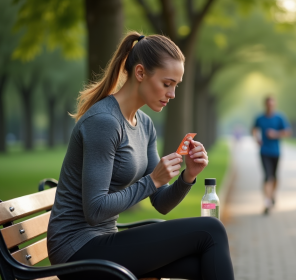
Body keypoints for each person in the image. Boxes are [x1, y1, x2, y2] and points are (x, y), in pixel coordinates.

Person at [47, 32, 235, 280]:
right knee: (211, 229)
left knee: (204, 263)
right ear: (140, 73)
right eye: (167, 83)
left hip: (104, 240)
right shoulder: (104, 122)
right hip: (76, 249)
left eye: (176, 85)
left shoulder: (144, 124)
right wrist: (153, 180)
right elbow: (94, 210)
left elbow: (162, 203)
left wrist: (188, 176)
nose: (172, 94)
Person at [252, 96, 291, 215]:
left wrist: (275, 134)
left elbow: (288, 132)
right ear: (265, 105)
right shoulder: (259, 118)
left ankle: (272, 195)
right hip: (264, 151)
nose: (270, 106)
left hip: (276, 151)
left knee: (274, 177)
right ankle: (267, 202)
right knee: (267, 176)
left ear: (274, 104)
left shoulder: (280, 117)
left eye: (272, 104)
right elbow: (253, 129)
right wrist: (257, 139)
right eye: (268, 104)